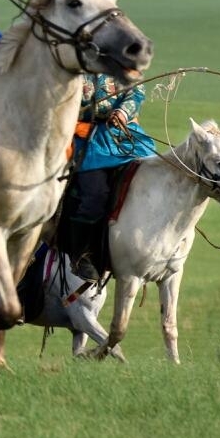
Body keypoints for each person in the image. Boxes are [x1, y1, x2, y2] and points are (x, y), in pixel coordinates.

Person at [60, 71, 155, 283]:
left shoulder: (119, 61)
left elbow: (136, 89)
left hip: (123, 136)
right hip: (85, 138)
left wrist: (122, 112)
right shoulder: (72, 64)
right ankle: (82, 255)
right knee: (93, 194)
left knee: (151, 179)